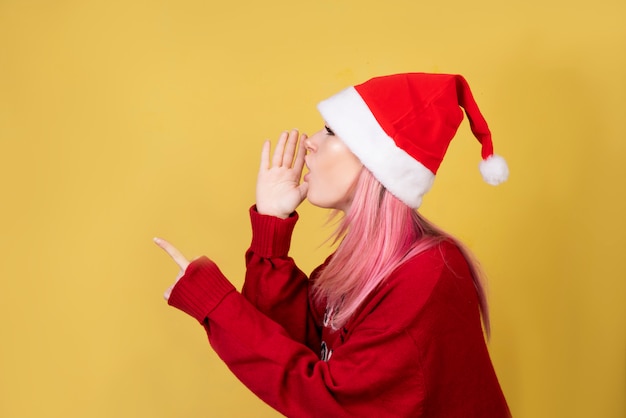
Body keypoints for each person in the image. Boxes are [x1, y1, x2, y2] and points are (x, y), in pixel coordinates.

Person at [154, 72, 512, 417]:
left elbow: (332, 401)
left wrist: (214, 304)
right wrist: (271, 228)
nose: (310, 140)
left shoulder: (425, 273)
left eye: (331, 131)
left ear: (376, 162)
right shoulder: (369, 260)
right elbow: (300, 344)